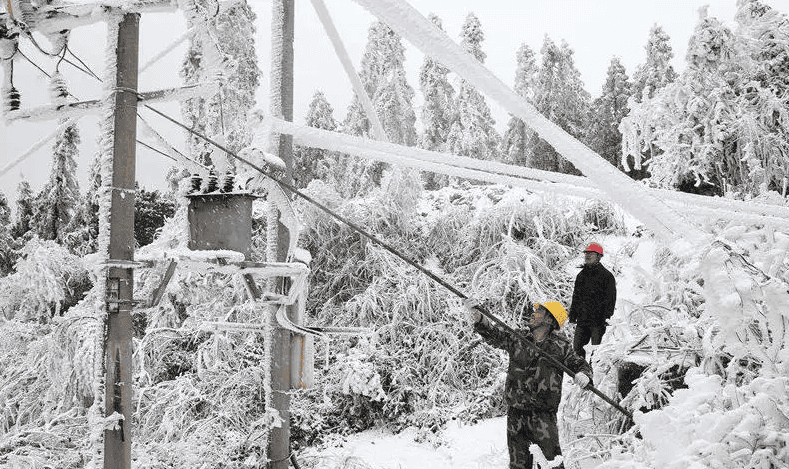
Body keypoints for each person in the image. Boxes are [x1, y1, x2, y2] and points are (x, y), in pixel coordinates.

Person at [464, 300, 592, 469]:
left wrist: (584, 374)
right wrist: (479, 317)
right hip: (516, 415)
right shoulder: (518, 338)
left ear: (549, 320)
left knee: (552, 464)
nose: (533, 313)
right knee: (518, 466)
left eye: (539, 311)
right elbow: (494, 335)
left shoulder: (561, 347)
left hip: (543, 417)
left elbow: (579, 364)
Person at [569, 242, 617, 360]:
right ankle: (580, 376)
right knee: (577, 352)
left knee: (596, 354)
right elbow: (576, 297)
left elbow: (611, 299)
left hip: (598, 323)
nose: (588, 256)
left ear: (599, 256)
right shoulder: (581, 276)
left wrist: (606, 317)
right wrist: (572, 315)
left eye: (591, 253)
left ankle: (595, 377)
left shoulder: (607, 276)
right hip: (582, 321)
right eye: (586, 253)